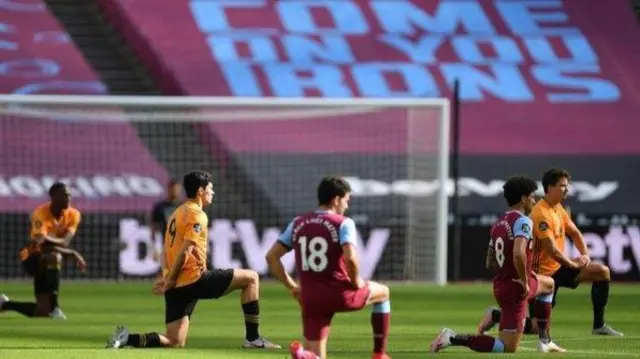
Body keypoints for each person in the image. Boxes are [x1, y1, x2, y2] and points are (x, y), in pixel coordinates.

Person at [106, 171, 280, 349]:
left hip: (177, 286)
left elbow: (167, 249)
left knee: (174, 342)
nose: (213, 192)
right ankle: (253, 339)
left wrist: (168, 277)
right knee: (251, 278)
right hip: (194, 279)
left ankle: (126, 339)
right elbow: (186, 250)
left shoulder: (176, 213)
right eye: (210, 189)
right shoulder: (197, 215)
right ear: (200, 191)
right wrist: (171, 279)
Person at [481, 169, 623, 337]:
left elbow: (575, 233)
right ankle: (497, 315)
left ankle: (599, 326)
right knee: (536, 328)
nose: (567, 189)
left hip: (559, 268)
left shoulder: (558, 209)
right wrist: (572, 263)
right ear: (550, 187)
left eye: (567, 186)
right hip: (542, 273)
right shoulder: (540, 213)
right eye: (563, 186)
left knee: (602, 272)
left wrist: (585, 257)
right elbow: (552, 249)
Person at [431, 176, 564, 354]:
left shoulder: (498, 224)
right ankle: (452, 337)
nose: (535, 200)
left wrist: (509, 271)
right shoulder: (523, 222)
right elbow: (518, 253)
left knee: (548, 284)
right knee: (507, 347)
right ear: (524, 199)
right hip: (517, 287)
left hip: (503, 284)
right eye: (532, 196)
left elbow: (490, 261)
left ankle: (544, 340)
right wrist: (523, 280)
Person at [265, 175, 391, 359]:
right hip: (339, 293)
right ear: (336, 199)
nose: (346, 206)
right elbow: (350, 258)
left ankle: (307, 356)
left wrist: (293, 287)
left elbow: (271, 257)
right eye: (346, 200)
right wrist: (356, 282)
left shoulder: (298, 223)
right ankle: (379, 354)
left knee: (318, 355)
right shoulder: (343, 223)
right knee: (384, 293)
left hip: (310, 298)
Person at [0, 182, 86, 320]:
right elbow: (41, 243)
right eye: (64, 195)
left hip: (46, 257)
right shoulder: (40, 213)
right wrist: (71, 252)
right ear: (53, 197)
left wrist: (51, 241)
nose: (68, 198)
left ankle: (5, 304)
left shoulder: (73, 214)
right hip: (31, 256)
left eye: (69, 195)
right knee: (55, 257)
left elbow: (65, 242)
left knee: (42, 312)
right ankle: (56, 307)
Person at [150, 180, 183, 262]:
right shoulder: (160, 207)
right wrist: (155, 248)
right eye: (173, 189)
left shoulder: (186, 207)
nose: (175, 191)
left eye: (177, 189)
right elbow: (154, 229)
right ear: (169, 189)